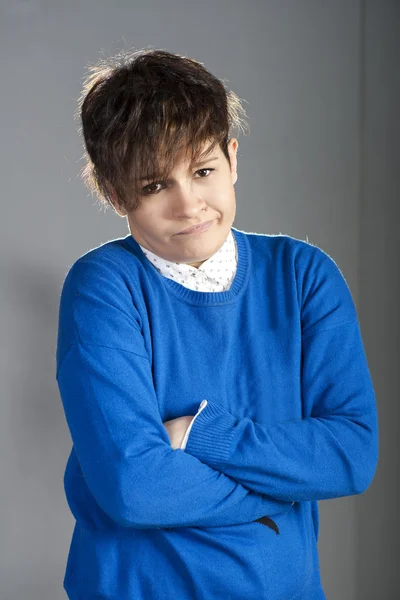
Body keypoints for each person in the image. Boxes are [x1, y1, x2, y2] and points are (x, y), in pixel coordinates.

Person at [56, 47, 379, 600]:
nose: (189, 205)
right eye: (155, 185)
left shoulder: (305, 276)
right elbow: (136, 489)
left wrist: (202, 435)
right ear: (115, 193)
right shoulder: (103, 286)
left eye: (203, 170)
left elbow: (350, 455)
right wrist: (284, 488)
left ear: (232, 159)